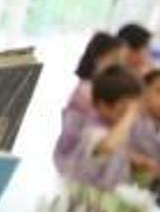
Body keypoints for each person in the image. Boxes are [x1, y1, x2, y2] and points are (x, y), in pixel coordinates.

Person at [56, 66, 144, 190]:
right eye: (124, 106)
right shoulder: (93, 129)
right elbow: (107, 147)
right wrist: (129, 116)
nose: (130, 112)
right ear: (103, 105)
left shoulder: (114, 128)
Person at [54, 33, 128, 170]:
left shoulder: (94, 89)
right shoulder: (87, 91)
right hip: (74, 163)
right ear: (98, 59)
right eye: (116, 59)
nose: (121, 67)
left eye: (123, 61)